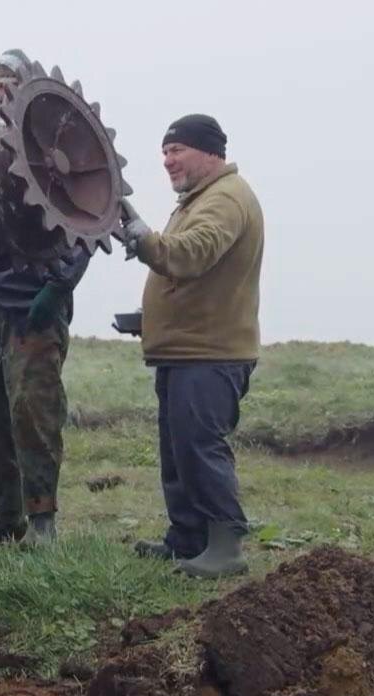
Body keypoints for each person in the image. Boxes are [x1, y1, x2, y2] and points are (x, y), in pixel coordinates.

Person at [116, 113, 264, 578]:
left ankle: (226, 546)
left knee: (200, 448)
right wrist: (153, 317)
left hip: (211, 354)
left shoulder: (225, 198)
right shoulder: (199, 199)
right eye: (164, 151)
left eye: (177, 150)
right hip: (187, 350)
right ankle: (187, 539)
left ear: (209, 152)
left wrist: (145, 240)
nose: (167, 160)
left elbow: (192, 253)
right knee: (179, 452)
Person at [0, 50, 92, 547]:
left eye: (5, 86)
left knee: (32, 409)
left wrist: (58, 287)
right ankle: (6, 514)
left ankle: (42, 521)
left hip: (32, 306)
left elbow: (87, 222)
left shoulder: (49, 147)